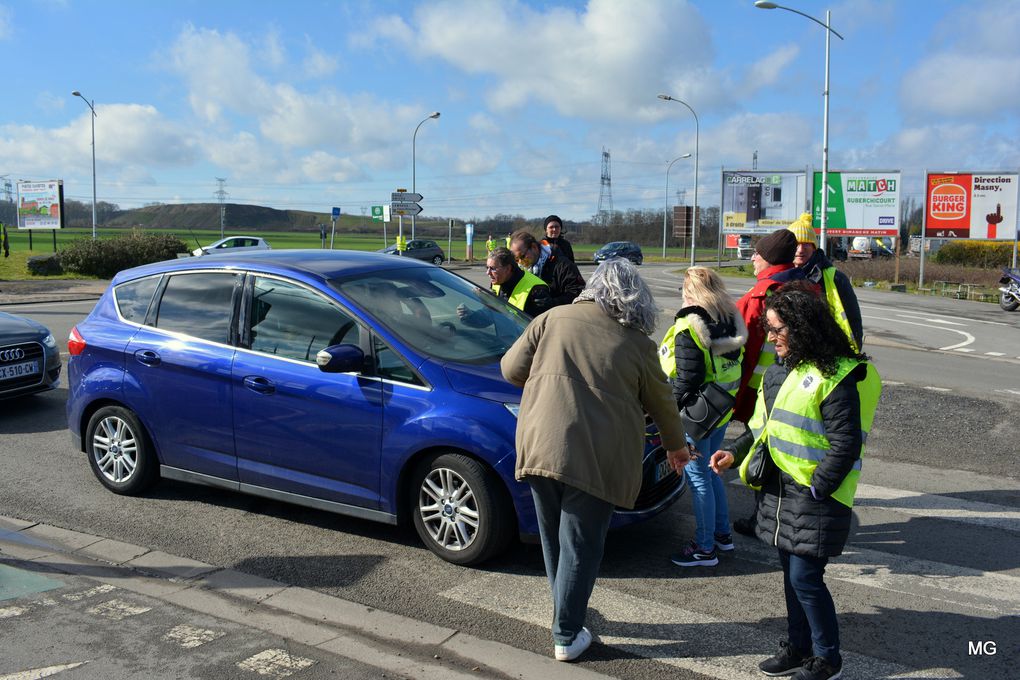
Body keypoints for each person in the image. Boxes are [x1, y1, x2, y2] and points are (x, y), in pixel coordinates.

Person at [501, 258, 691, 663]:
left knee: (554, 540)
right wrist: (677, 449)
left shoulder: (552, 318)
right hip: (596, 454)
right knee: (580, 547)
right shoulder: (638, 343)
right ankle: (567, 634)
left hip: (539, 443)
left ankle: (563, 616)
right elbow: (662, 404)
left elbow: (510, 369)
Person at [709, 282, 881, 680]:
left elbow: (845, 444)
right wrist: (734, 454)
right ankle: (797, 647)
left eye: (777, 329)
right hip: (779, 492)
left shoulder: (835, 377)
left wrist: (819, 485)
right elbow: (763, 428)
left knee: (805, 577)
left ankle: (828, 660)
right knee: (791, 575)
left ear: (803, 328)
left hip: (815, 496)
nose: (770, 338)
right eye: (768, 328)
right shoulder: (778, 372)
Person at [658, 267, 747, 567]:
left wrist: (666, 410)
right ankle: (722, 535)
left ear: (690, 291)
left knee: (698, 480)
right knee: (710, 472)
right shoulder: (729, 319)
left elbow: (687, 378)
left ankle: (704, 548)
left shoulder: (690, 325)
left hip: (695, 414)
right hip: (720, 409)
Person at [731, 228, 805, 538]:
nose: (752, 259)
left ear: (768, 260)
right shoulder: (807, 288)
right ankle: (784, 518)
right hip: (798, 387)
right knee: (787, 454)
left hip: (762, 390)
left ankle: (764, 519)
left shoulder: (760, 295)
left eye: (756, 255)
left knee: (762, 453)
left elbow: (736, 345)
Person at [788, 213, 863, 351]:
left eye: (806, 244)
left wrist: (853, 355)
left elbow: (853, 321)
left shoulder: (836, 278)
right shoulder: (780, 277)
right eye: (796, 244)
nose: (800, 249)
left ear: (814, 247)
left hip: (827, 355)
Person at [457, 247, 551, 324]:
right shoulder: (497, 283)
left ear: (508, 269)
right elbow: (490, 316)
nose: (487, 272)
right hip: (506, 343)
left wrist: (501, 309)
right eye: (487, 268)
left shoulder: (537, 290)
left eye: (493, 269)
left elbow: (539, 328)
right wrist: (470, 316)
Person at [508, 230, 585, 313]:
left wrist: (552, 303)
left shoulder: (563, 265)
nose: (520, 262)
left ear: (534, 247)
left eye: (522, 256)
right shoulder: (521, 269)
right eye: (516, 259)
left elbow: (578, 293)